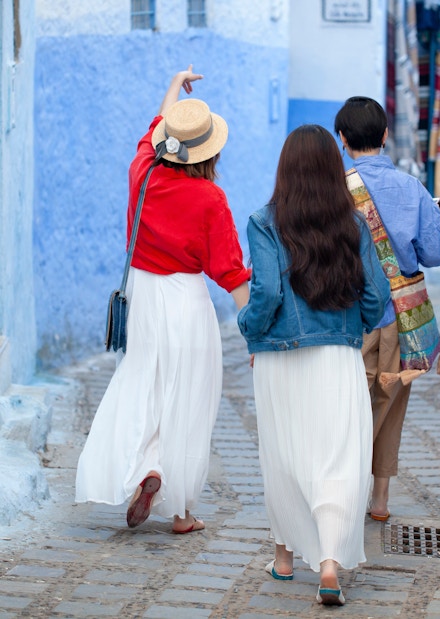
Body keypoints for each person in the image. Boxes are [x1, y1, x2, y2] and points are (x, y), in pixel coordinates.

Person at [75, 66, 250, 533]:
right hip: (186, 299)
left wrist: (175, 83)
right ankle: (182, 512)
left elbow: (156, 125)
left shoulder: (141, 172)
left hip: (144, 295)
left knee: (143, 384)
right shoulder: (211, 198)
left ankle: (146, 467)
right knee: (188, 398)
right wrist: (255, 337)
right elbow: (232, 273)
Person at [237, 124, 391, 606]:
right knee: (339, 458)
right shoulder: (354, 223)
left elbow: (266, 294)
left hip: (280, 359)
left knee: (283, 455)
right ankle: (328, 564)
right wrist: (357, 325)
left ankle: (283, 559)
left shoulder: (264, 221)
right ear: (332, 168)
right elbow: (377, 296)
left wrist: (250, 330)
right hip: (338, 357)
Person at [334, 96, 440, 521]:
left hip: (349, 315)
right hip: (401, 319)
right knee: (392, 403)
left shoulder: (334, 190)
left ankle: (341, 493)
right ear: (385, 136)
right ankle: (380, 499)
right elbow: (439, 252)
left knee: (345, 404)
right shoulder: (411, 188)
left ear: (343, 139)